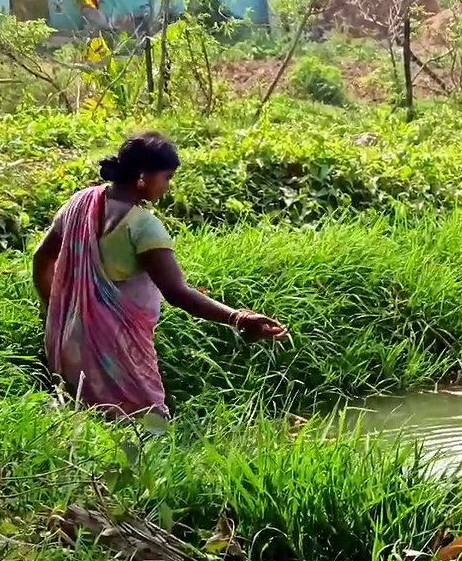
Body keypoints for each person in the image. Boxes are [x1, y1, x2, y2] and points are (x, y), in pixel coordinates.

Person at [32, 132, 285, 419]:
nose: (167, 186)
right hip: (118, 350)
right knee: (146, 422)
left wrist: (52, 308)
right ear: (143, 176)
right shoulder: (142, 226)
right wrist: (239, 318)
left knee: (83, 420)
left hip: (70, 341)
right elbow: (177, 292)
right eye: (167, 177)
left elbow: (41, 257)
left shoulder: (79, 204)